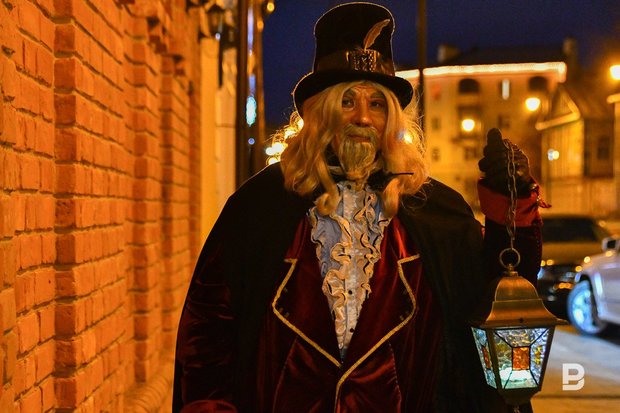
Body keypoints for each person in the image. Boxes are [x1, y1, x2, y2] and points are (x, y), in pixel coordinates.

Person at [173, 2, 543, 412]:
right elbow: (208, 335)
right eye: (347, 101)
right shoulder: (260, 206)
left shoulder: (432, 208)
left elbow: (501, 296)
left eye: (377, 103)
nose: (363, 118)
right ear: (319, 112)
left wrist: (510, 206)